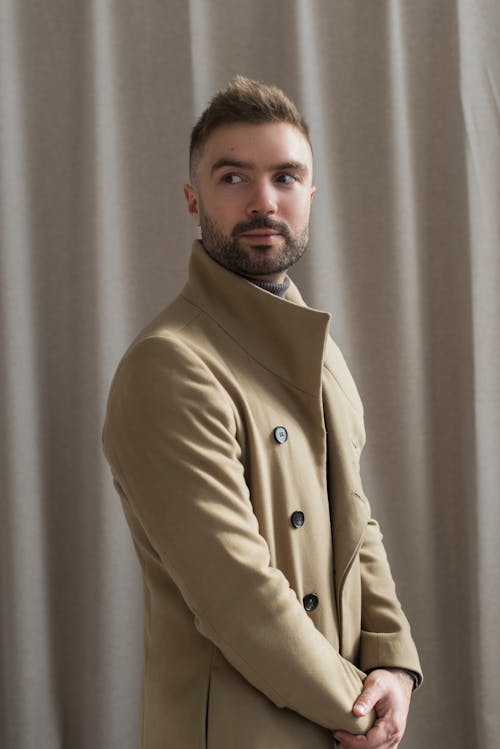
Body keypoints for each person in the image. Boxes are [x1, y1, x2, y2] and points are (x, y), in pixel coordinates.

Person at [102, 76, 422, 749]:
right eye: (233, 178)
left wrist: (392, 658)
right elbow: (238, 596)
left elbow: (357, 520)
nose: (262, 201)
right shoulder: (170, 365)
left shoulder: (319, 347)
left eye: (285, 177)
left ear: (311, 196)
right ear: (194, 200)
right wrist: (364, 708)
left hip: (336, 716)